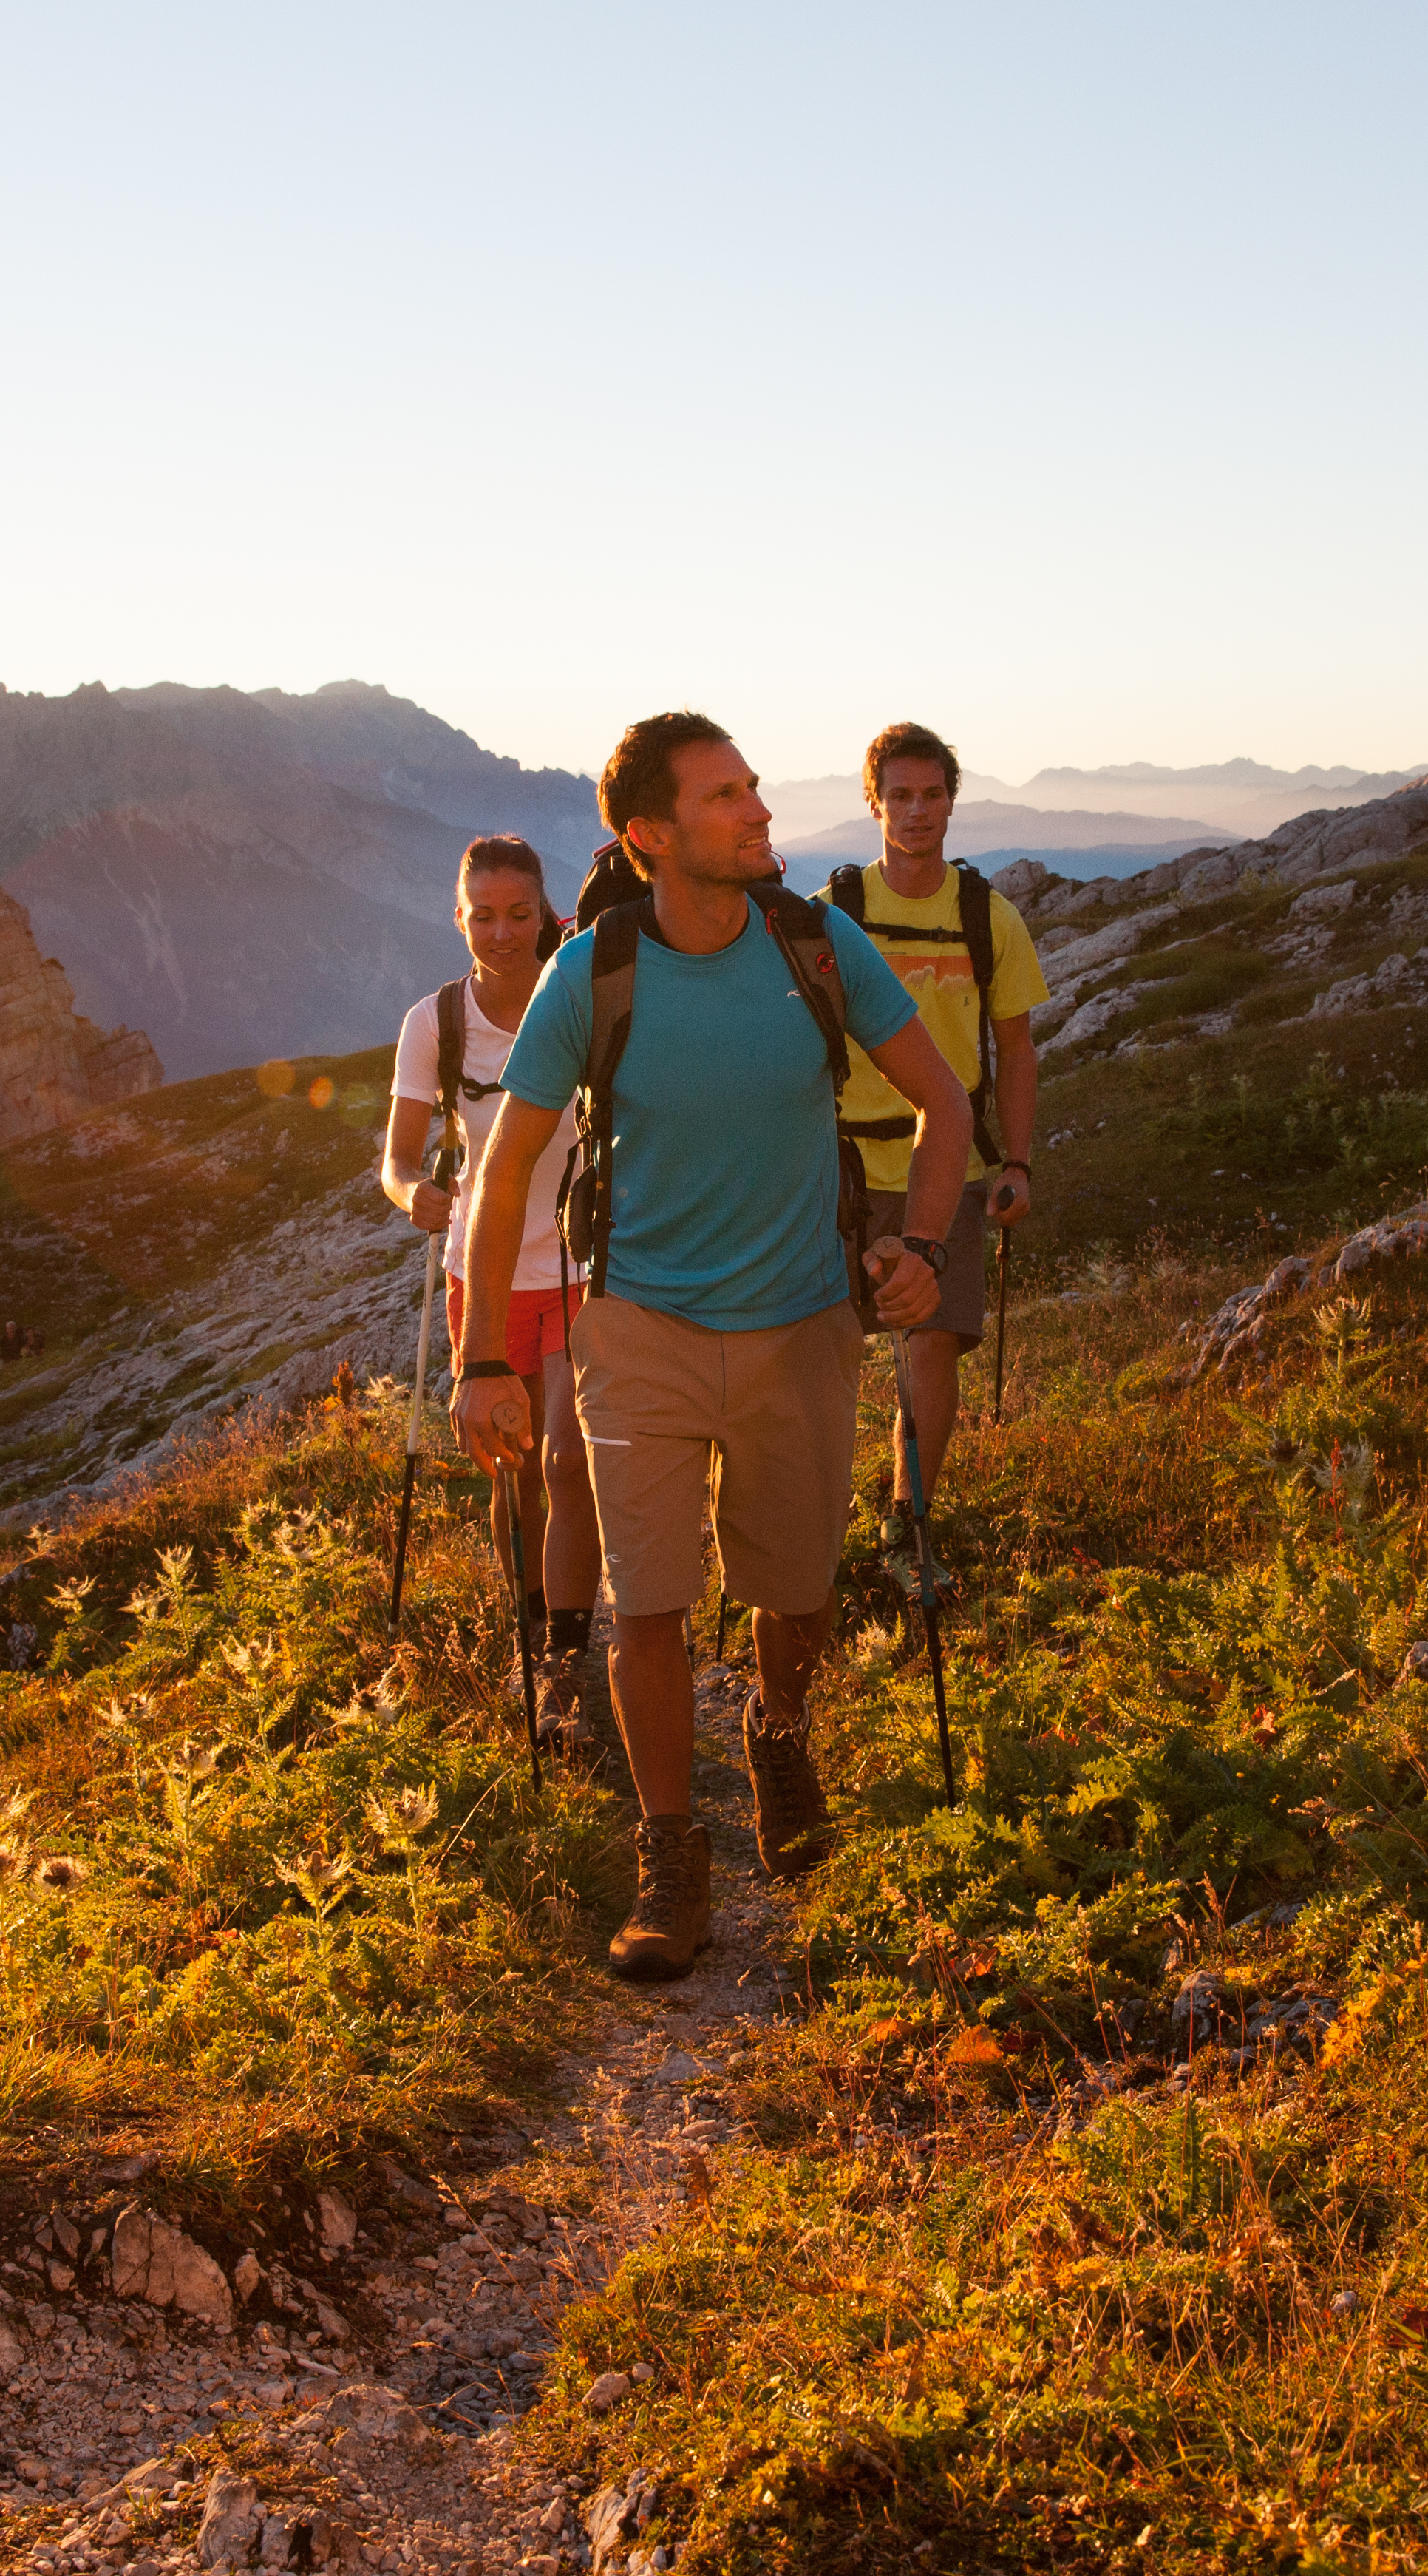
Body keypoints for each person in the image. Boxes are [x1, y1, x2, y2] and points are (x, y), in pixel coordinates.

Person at [455, 712, 973, 1983]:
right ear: (650, 834)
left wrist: (921, 1247)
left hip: (802, 1322)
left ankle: (778, 1730)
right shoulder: (595, 971)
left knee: (797, 1592)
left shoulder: (816, 943)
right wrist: (481, 1360)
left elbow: (944, 1102)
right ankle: (670, 1851)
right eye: (726, 795)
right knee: (647, 1602)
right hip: (640, 1326)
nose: (759, 811)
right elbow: (506, 1169)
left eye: (752, 786)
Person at [379, 835, 603, 1755]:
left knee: (569, 1462)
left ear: (548, 916)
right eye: (483, 916)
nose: (502, 932)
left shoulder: (581, 998)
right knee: (515, 1473)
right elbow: (396, 1159)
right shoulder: (435, 1023)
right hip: (489, 1270)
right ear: (459, 918)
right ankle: (532, 1618)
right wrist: (413, 1195)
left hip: (587, 1264)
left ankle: (565, 1657)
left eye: (519, 914)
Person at [824, 724, 1044, 1566]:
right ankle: (816, 1516)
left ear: (952, 801)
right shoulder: (831, 916)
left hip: (950, 1171)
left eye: (933, 794)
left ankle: (905, 1519)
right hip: (839, 1171)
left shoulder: (988, 918)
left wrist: (1016, 1163)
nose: (918, 811)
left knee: (932, 1348)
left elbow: (1016, 1051)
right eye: (901, 796)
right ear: (874, 803)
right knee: (822, 1353)